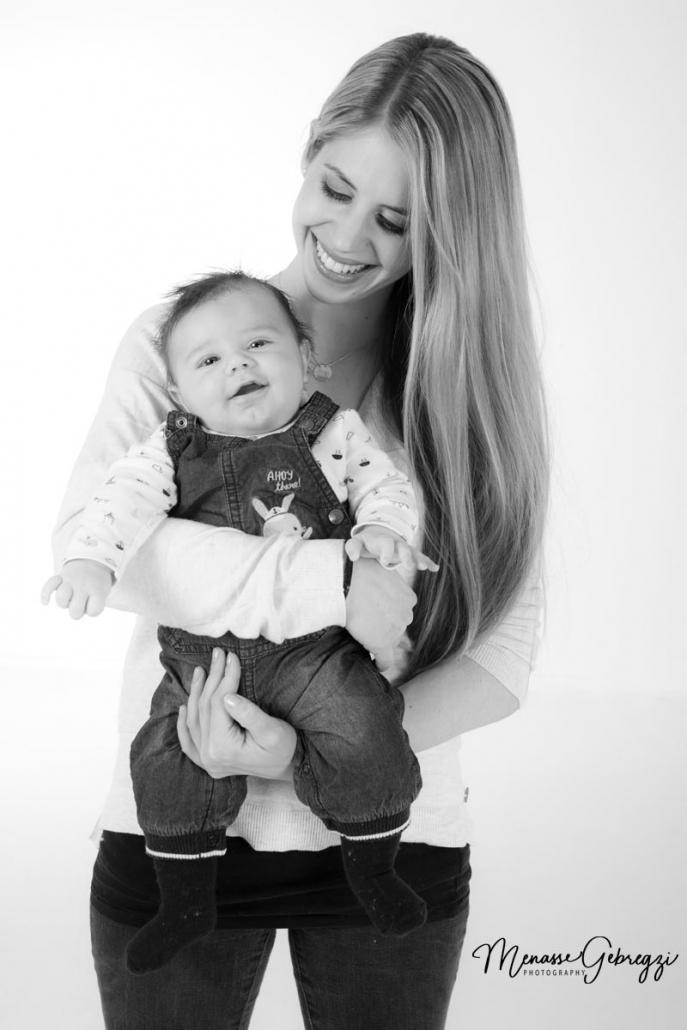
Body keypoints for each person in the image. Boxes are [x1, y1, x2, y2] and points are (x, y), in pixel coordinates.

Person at [49, 32, 548, 1030]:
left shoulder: (461, 395)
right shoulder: (181, 343)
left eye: (395, 221)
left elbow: (504, 659)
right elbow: (109, 550)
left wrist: (302, 755)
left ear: (449, 234)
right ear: (310, 146)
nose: (349, 236)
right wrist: (344, 583)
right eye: (335, 188)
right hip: (177, 813)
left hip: (395, 838)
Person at [44, 270, 440, 971]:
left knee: (365, 728)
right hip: (203, 661)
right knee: (164, 761)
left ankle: (374, 868)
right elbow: (119, 504)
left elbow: (385, 486)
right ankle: (184, 901)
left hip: (316, 653)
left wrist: (382, 530)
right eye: (209, 360)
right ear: (178, 394)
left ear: (307, 360)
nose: (238, 364)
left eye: (258, 344)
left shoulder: (335, 431)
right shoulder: (168, 450)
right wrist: (91, 562)